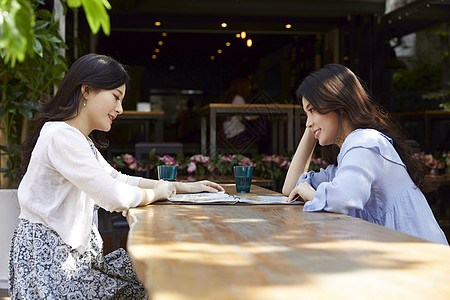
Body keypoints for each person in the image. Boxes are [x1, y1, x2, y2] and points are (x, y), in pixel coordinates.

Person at [8, 54, 225, 299]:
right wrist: (159, 193)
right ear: (87, 90)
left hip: (67, 258)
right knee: (152, 279)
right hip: (53, 264)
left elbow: (117, 179)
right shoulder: (61, 136)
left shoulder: (76, 138)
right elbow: (114, 195)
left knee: (148, 279)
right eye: (116, 97)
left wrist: (180, 187)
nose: (120, 109)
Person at [282, 64, 448, 245]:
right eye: (306, 113)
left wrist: (308, 192)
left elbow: (343, 198)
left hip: (425, 262)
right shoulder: (349, 155)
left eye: (312, 110)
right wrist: (313, 127)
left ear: (339, 104)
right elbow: (290, 189)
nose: (307, 122)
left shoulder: (365, 143)